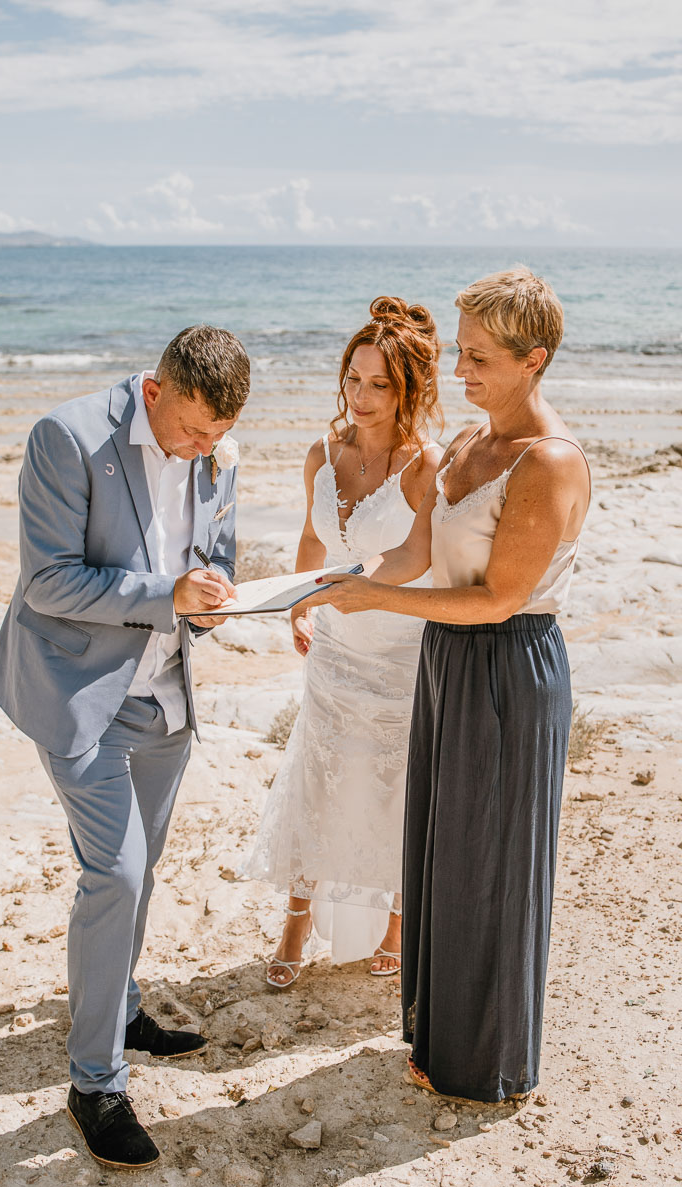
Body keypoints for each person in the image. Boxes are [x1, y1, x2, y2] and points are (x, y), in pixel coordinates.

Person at [309, 267, 590, 1103]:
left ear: (532, 359)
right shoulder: (469, 445)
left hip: (510, 664)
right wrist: (340, 584)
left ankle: (484, 1061)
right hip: (447, 656)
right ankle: (436, 1030)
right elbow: (421, 557)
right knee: (439, 847)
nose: (460, 374)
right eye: (461, 354)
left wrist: (380, 597)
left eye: (478, 359)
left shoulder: (550, 461)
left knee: (492, 857)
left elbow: (501, 597)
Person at [0, 325, 250, 1169]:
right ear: (159, 389)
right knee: (119, 873)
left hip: (167, 695)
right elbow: (48, 580)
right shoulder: (66, 437)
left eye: (220, 434)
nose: (209, 447)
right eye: (196, 430)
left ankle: (122, 1004)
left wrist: (213, 594)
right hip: (78, 690)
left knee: (144, 867)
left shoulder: (215, 448)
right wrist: (166, 593)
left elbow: (213, 557)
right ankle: (95, 1083)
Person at [243, 297, 443, 986]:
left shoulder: (426, 467)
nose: (360, 396)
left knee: (393, 787)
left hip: (398, 653)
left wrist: (361, 592)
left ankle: (394, 922)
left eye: (379, 384)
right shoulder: (321, 456)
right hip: (332, 648)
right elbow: (312, 544)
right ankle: (296, 921)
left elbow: (426, 561)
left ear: (409, 389)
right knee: (318, 780)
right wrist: (296, 608)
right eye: (353, 380)